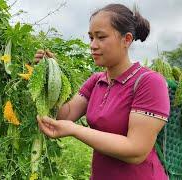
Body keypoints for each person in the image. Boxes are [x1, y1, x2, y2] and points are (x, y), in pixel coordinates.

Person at [35, 3, 170, 180]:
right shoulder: (96, 80)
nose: (93, 45)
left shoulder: (149, 82)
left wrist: (75, 130)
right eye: (91, 37)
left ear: (126, 39)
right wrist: (50, 74)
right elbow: (65, 114)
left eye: (101, 37)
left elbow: (136, 150)